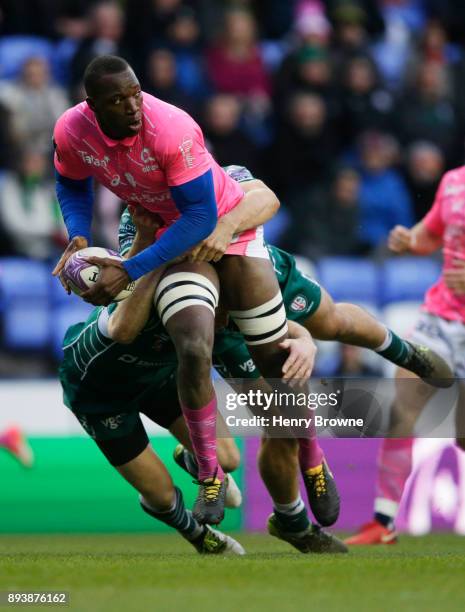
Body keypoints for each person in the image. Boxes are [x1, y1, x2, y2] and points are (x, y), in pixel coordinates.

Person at [51, 55, 296, 526]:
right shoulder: (71, 130)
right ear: (92, 106)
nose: (132, 105)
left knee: (262, 381)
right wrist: (79, 234)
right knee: (191, 344)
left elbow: (202, 219)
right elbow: (69, 181)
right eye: (118, 99)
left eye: (136, 93)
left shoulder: (172, 130)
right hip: (160, 246)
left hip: (207, 235)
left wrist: (132, 268)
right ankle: (205, 484)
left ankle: (307, 470)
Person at [346, 163, 464, 545]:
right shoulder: (453, 181)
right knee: (402, 405)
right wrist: (408, 239)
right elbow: (431, 235)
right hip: (439, 317)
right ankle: (384, 521)